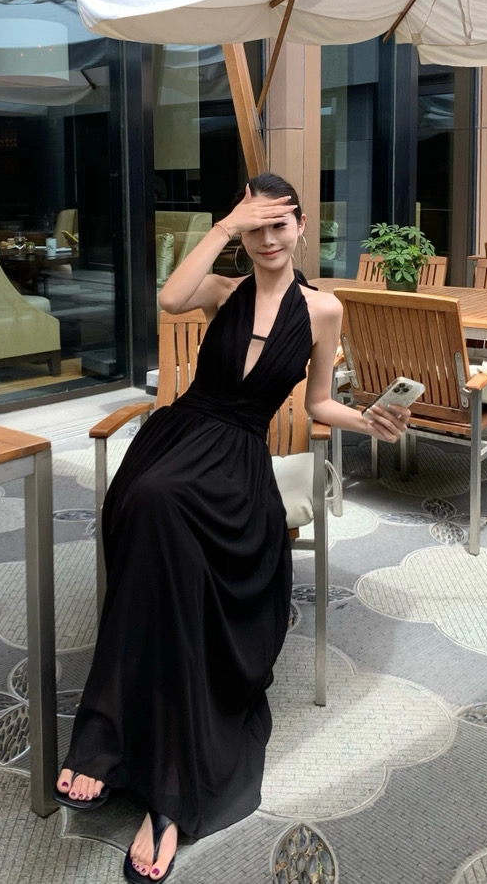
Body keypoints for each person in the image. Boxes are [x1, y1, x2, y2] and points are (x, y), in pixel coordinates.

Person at [54, 173, 411, 883]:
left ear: (302, 227)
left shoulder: (325, 310)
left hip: (239, 459)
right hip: (177, 439)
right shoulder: (221, 289)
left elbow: (317, 402)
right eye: (256, 227)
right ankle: (117, 736)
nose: (268, 239)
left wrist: (367, 418)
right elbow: (169, 299)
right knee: (153, 503)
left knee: (173, 536)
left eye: (280, 224)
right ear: (241, 232)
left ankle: (161, 780)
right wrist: (223, 226)